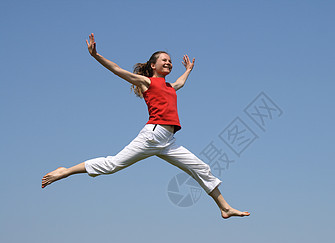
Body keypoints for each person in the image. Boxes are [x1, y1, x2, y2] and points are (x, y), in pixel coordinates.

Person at [42, 33, 250, 219]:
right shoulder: (147, 83)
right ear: (153, 65)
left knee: (201, 168)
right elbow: (117, 70)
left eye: (170, 61)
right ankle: (65, 171)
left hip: (168, 141)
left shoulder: (170, 86)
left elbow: (180, 83)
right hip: (152, 135)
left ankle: (224, 208)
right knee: (112, 165)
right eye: (164, 60)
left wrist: (188, 70)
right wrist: (96, 55)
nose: (169, 62)